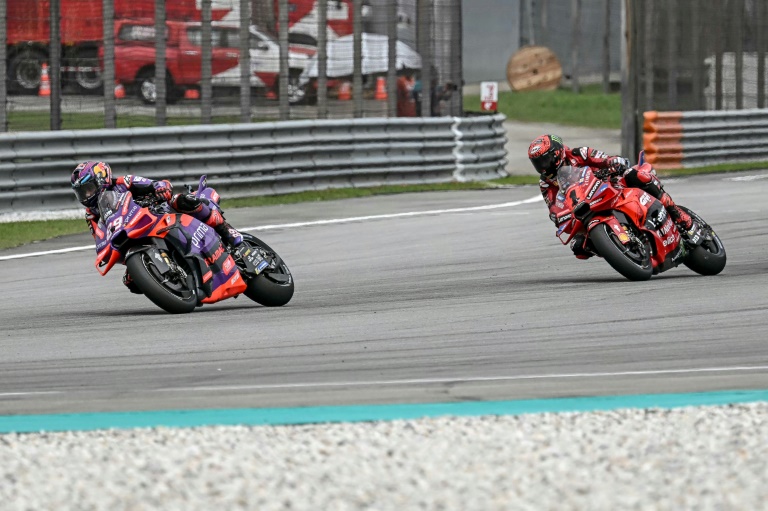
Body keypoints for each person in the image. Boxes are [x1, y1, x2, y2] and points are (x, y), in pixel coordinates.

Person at [70, 160, 243, 291]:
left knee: (182, 200)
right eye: (81, 192)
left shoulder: (123, 183)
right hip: (132, 232)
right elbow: (101, 237)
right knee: (132, 283)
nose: (86, 195)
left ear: (101, 180)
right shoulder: (91, 214)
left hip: (157, 212)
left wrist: (159, 188)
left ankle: (225, 230)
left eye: (89, 188)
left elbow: (154, 183)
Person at [527, 134, 699, 259]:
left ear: (557, 153)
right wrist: (558, 216)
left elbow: (604, 158)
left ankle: (679, 216)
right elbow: (554, 207)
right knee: (579, 247)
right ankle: (620, 248)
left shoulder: (579, 154)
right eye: (537, 163)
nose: (542, 167)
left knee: (636, 175)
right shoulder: (545, 183)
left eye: (545, 160)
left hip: (609, 185)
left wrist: (613, 163)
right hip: (584, 206)